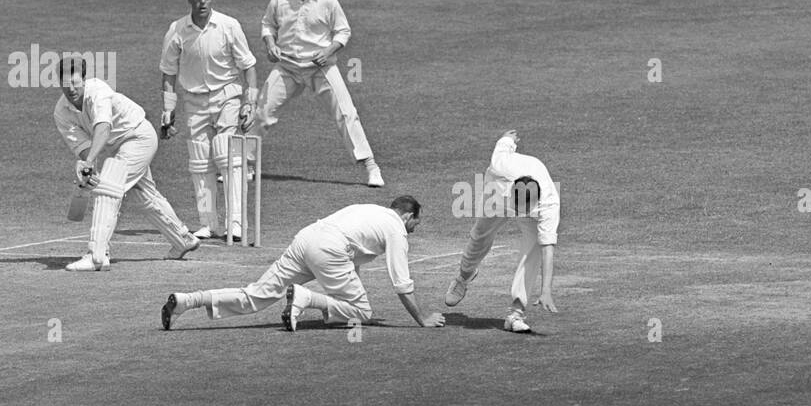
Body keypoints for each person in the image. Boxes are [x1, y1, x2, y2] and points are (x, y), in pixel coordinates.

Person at [161, 196, 444, 331]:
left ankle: (188, 301)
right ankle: (303, 298)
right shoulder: (396, 229)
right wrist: (422, 319)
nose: (415, 229)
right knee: (363, 311)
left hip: (307, 238)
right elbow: (401, 283)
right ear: (407, 216)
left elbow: (353, 258)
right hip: (329, 249)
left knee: (256, 295)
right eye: (417, 222)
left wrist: (340, 311)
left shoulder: (368, 210)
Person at [53, 57, 200, 271]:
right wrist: (88, 168)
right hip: (119, 147)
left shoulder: (98, 91)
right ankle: (182, 238)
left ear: (84, 80)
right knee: (144, 195)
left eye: (76, 83)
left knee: (107, 189)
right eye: (67, 84)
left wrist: (89, 161)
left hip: (138, 137)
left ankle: (97, 256)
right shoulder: (61, 112)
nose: (72, 89)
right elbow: (84, 147)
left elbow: (102, 128)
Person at [256, 0, 384, 188]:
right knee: (261, 110)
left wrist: (328, 52)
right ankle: (243, 165)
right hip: (287, 66)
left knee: (346, 113)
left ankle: (371, 167)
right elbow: (267, 25)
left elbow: (343, 31)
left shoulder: (327, 0)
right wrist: (271, 44)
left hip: (320, 67)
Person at [159, 0, 259, 240]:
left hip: (227, 94)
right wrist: (168, 110)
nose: (202, 1)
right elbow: (168, 72)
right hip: (194, 99)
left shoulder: (228, 25)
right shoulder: (177, 30)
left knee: (228, 155)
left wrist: (249, 102)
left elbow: (248, 66)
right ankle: (209, 223)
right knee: (200, 162)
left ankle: (236, 222)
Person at [445, 130, 559, 332]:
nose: (520, 213)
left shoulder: (548, 203)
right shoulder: (502, 168)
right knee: (480, 236)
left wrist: (546, 291)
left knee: (533, 248)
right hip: (496, 198)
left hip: (528, 205)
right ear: (512, 192)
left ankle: (516, 314)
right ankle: (464, 277)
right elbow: (504, 145)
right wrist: (509, 138)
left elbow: (547, 247)